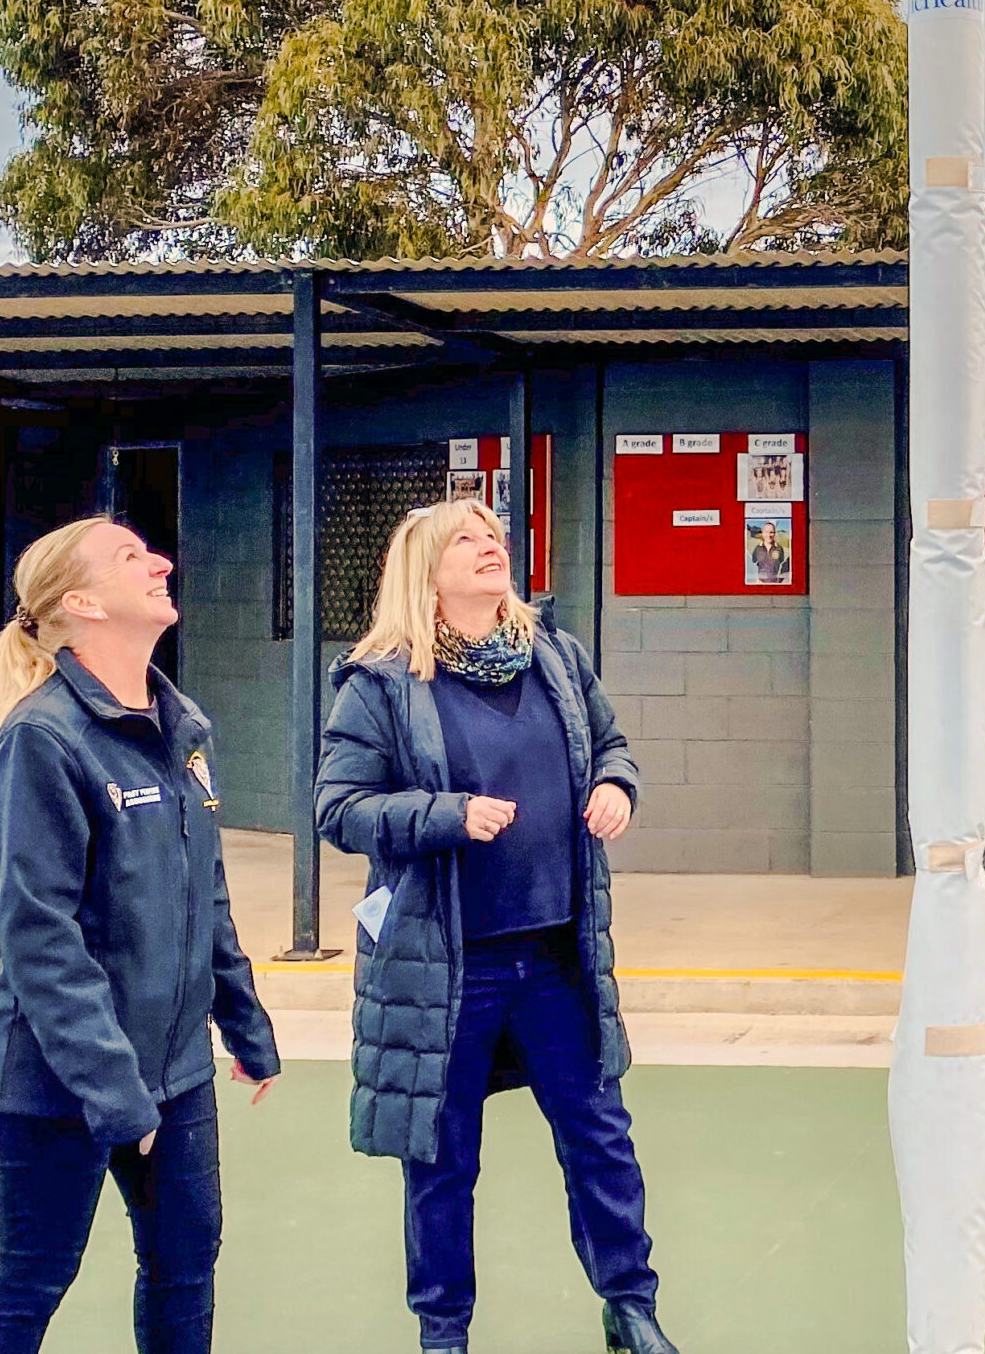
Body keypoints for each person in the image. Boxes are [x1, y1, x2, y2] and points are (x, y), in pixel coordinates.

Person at [315, 499, 676, 1354]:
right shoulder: (381, 683)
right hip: (446, 969)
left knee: (601, 1142)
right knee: (442, 1164)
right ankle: (443, 1331)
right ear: (425, 571)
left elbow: (612, 741)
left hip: (556, 957)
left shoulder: (556, 657)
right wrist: (446, 814)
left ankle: (629, 1305)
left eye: (494, 538)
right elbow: (339, 808)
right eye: (467, 541)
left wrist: (617, 785)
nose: (491, 548)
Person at [0, 515, 280, 1354]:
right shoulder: (42, 739)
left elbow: (201, 890)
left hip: (175, 1073)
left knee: (185, 1267)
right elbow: (35, 933)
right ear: (81, 603)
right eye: (131, 557)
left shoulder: (182, 730)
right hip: (54, 1081)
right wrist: (112, 1090)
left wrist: (244, 1022)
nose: (161, 562)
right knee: (30, 1278)